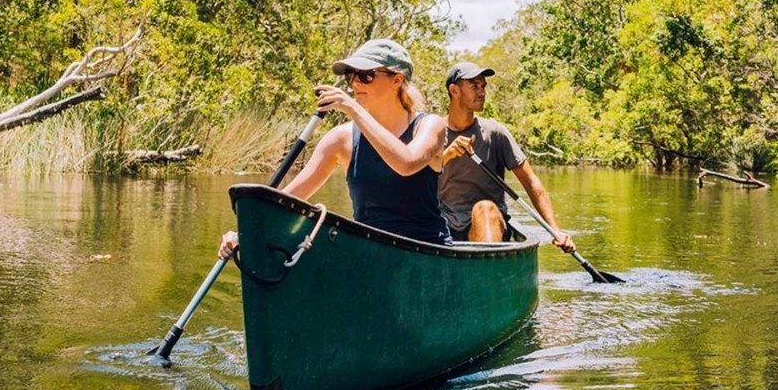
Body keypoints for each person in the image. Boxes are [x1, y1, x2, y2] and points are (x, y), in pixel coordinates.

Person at [219, 39, 451, 259]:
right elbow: (290, 198)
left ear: (397, 80)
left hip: (427, 251)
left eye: (366, 75)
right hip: (370, 254)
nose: (356, 83)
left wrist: (352, 108)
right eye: (352, 76)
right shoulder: (341, 139)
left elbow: (406, 163)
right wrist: (245, 233)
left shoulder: (430, 126)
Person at [440, 61, 576, 252]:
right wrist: (446, 155)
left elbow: (531, 182)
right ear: (454, 91)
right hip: (443, 224)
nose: (482, 92)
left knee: (484, 209)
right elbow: (414, 179)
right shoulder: (432, 132)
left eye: (483, 86)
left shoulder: (495, 133)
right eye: (474, 86)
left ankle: (487, 267)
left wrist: (556, 230)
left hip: (489, 224)